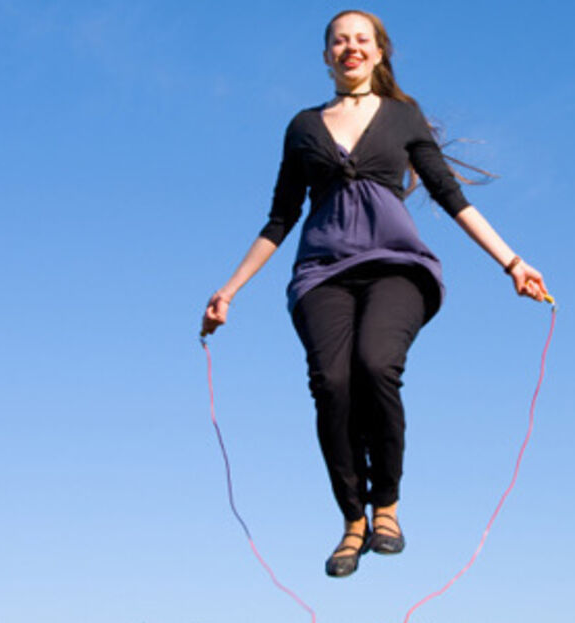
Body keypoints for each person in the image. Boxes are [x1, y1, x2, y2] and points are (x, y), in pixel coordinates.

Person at [200, 9, 550, 578]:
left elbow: (450, 196)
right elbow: (281, 218)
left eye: (362, 39)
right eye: (339, 41)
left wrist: (512, 261)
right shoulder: (303, 127)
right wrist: (229, 290)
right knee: (331, 383)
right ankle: (352, 520)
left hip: (397, 267)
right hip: (321, 274)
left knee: (374, 364)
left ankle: (385, 505)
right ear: (326, 56)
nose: (351, 48)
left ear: (379, 51)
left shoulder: (402, 116)